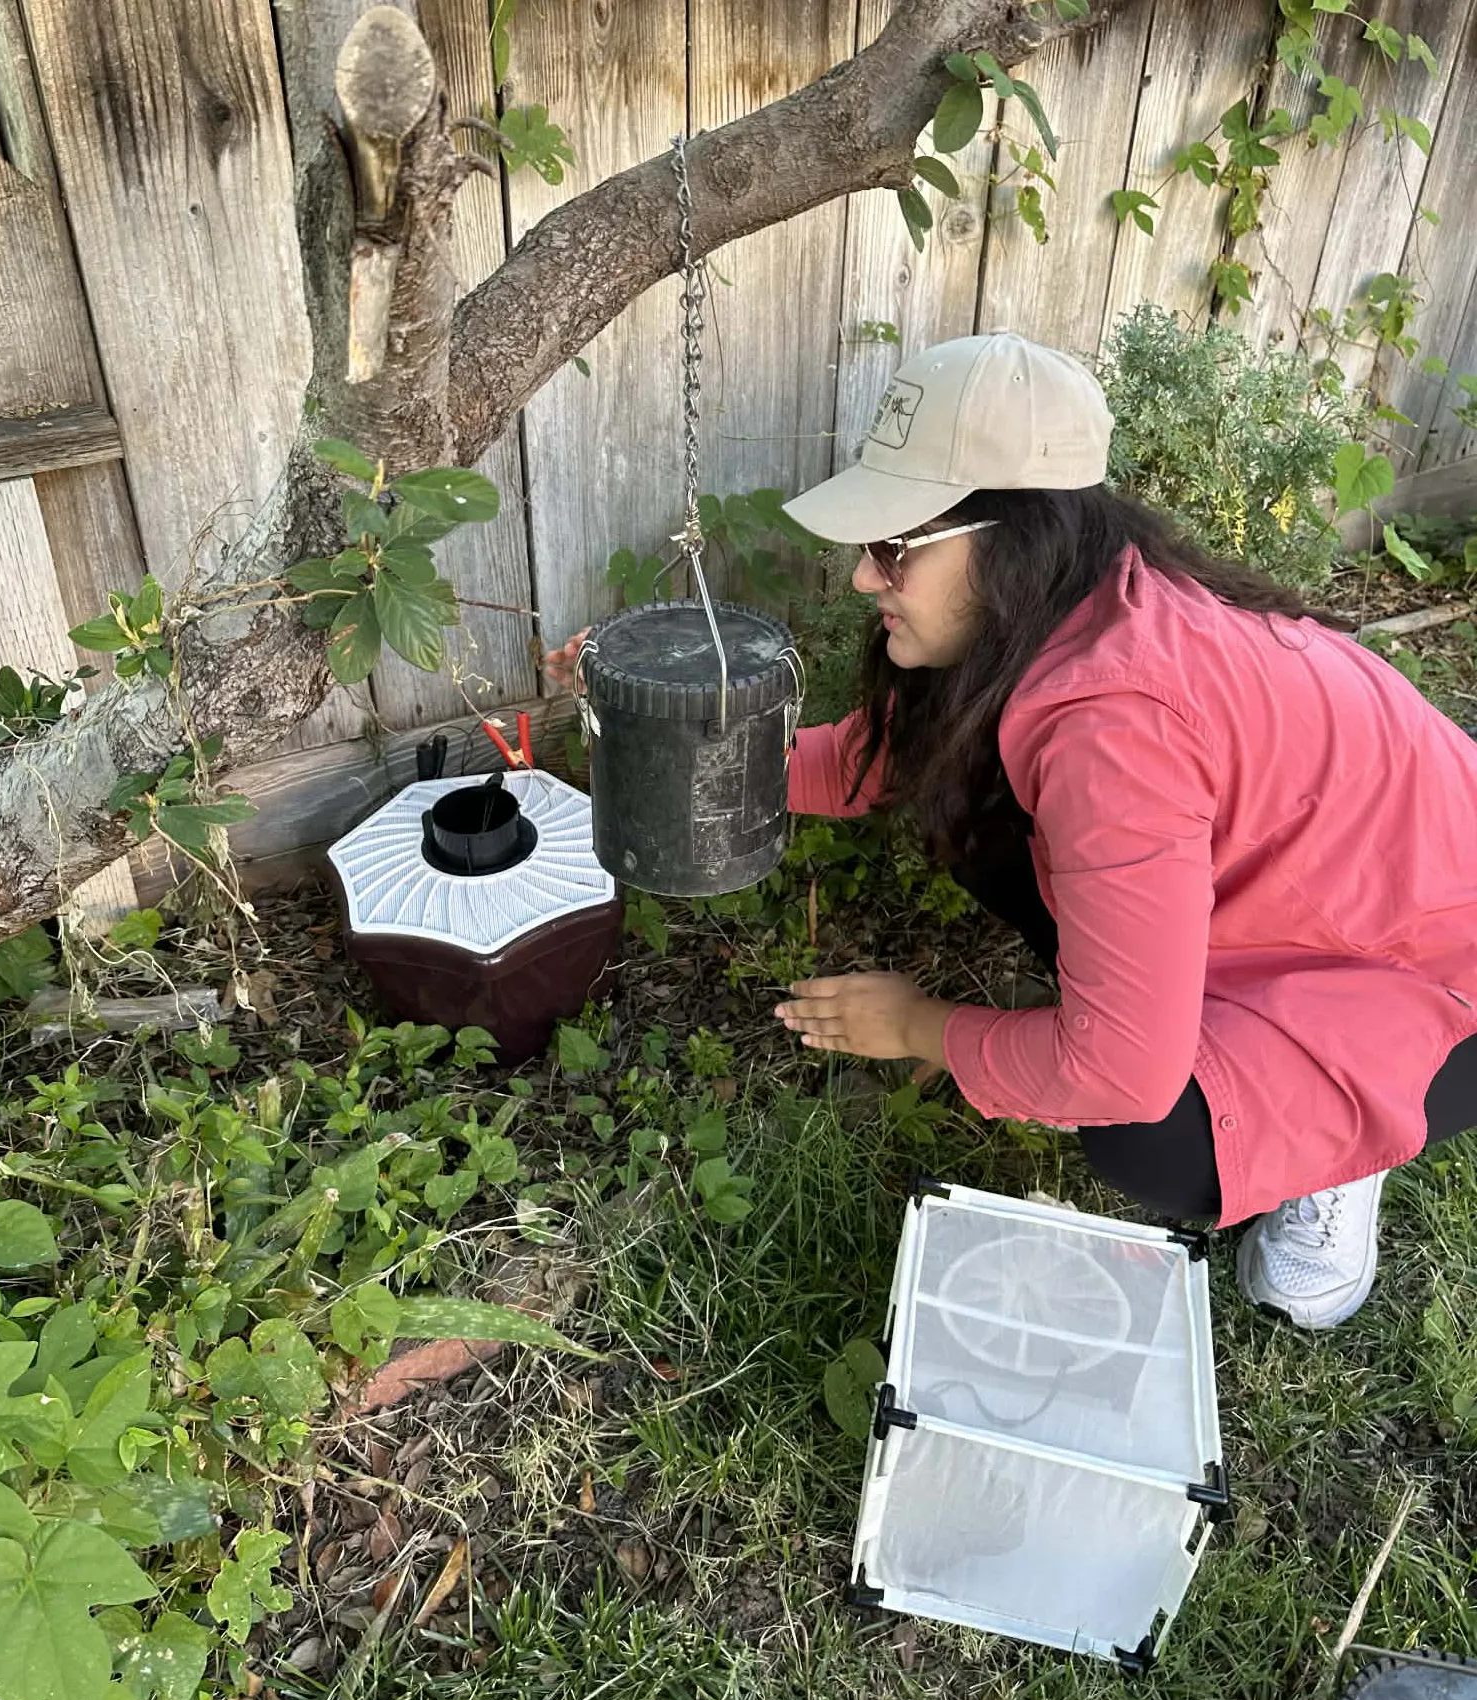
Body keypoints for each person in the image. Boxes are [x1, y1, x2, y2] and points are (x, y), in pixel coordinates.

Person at [544, 332, 1477, 1331]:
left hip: (1427, 964)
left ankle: (1343, 1149)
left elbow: (1120, 1075)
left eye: (896, 544)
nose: (864, 578)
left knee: (1147, 1132)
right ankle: (1164, 991)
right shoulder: (1064, 610)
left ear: (1015, 534)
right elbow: (862, 763)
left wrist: (915, 1026)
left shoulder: (1113, 726)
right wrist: (658, 737)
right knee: (967, 796)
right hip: (1309, 895)